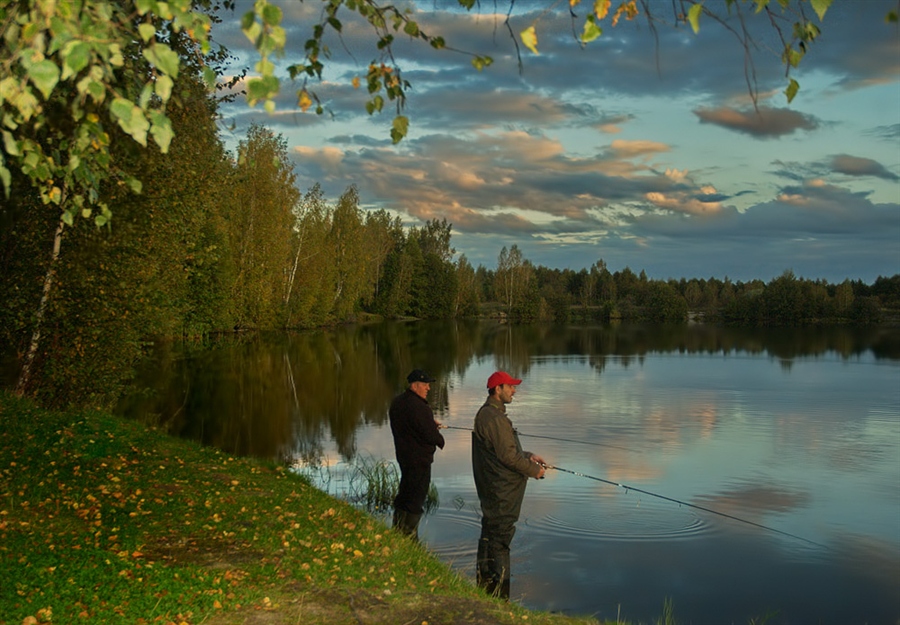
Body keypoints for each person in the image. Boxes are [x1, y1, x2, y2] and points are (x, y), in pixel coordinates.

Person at [471, 370, 546, 600]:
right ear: (497, 389)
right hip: (501, 491)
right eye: (510, 386)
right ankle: (502, 594)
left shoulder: (489, 414)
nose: (514, 390)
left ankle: (484, 584)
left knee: (489, 533)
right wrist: (536, 471)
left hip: (493, 488)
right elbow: (508, 458)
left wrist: (528, 454)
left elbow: (502, 451)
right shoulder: (495, 419)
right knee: (501, 540)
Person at [388, 368, 445, 540]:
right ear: (414, 386)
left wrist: (428, 423)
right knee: (416, 498)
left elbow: (413, 426)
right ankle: (410, 539)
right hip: (419, 460)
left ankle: (398, 532)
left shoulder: (398, 402)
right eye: (425, 385)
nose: (428, 388)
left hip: (404, 457)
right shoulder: (419, 406)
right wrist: (440, 439)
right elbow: (429, 434)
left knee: (404, 493)